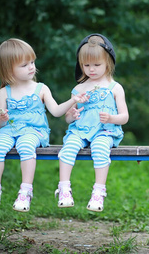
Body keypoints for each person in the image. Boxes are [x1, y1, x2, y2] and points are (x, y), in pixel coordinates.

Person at [0, 38, 88, 212]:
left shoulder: (41, 89)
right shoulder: (4, 92)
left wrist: (73, 101)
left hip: (34, 131)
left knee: (25, 145)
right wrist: (3, 117)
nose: (31, 67)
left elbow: (57, 111)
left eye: (32, 62)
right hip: (10, 129)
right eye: (24, 65)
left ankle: (25, 191)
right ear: (9, 69)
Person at [56, 33, 129, 212]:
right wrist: (72, 115)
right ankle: (64, 188)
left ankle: (98, 192)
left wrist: (111, 118)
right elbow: (67, 117)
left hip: (105, 131)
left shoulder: (115, 88)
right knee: (68, 147)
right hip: (80, 130)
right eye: (86, 65)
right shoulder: (79, 89)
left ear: (108, 63)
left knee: (100, 149)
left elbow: (125, 117)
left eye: (97, 65)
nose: (92, 69)